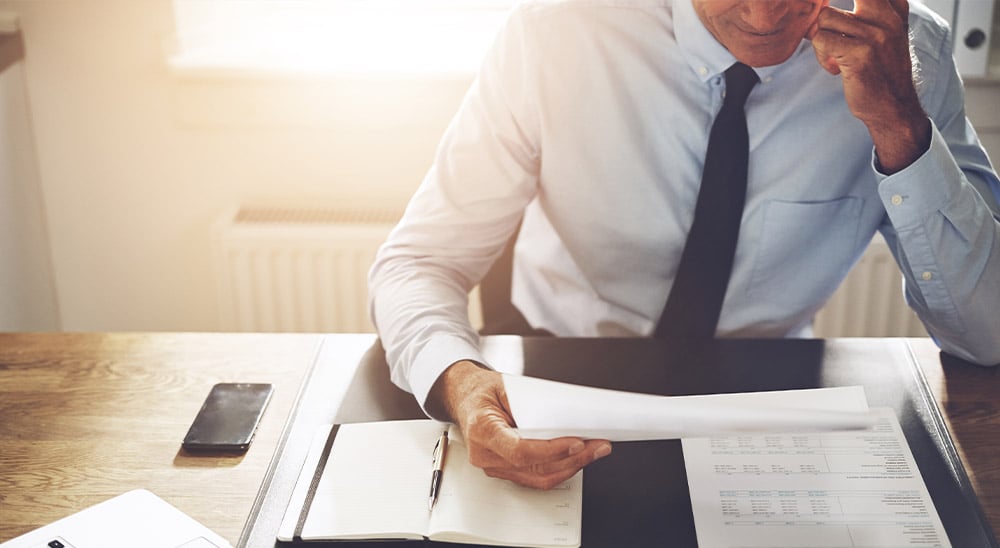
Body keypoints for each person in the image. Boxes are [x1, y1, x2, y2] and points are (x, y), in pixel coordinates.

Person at [369, 0, 1000, 490]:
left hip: (772, 397)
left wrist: (898, 124)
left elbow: (990, 335)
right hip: (561, 378)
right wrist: (461, 382)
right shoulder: (557, 31)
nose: (761, 19)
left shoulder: (910, 56)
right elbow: (421, 261)